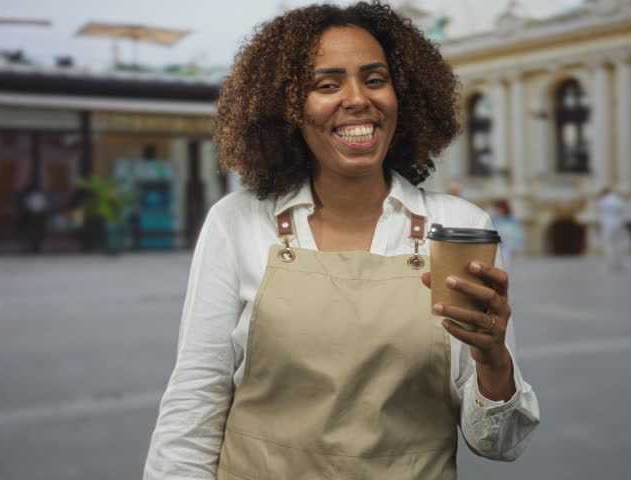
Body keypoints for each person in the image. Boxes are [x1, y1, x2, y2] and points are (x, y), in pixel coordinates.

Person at [143, 4, 539, 479]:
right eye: (326, 85)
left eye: (375, 80)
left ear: (405, 96)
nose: (357, 99)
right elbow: (195, 399)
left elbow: (496, 443)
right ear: (285, 108)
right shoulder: (238, 222)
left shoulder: (455, 226)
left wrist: (494, 360)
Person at [595, 188, 626, 271]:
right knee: (618, 243)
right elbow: (623, 209)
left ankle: (611, 263)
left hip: (607, 224)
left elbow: (598, 208)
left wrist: (598, 199)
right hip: (618, 223)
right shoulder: (618, 199)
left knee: (609, 244)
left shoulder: (603, 200)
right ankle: (619, 262)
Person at [490, 200, 523, 270]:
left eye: (499, 208)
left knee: (504, 264)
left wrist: (516, 245)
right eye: (496, 208)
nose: (498, 210)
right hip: (496, 245)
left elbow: (517, 233)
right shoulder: (494, 219)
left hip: (508, 245)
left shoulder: (511, 219)